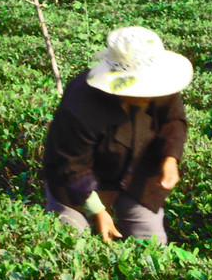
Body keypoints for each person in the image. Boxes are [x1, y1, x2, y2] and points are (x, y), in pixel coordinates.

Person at [43, 26, 193, 244]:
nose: (150, 94)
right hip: (78, 179)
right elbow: (72, 166)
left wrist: (170, 159)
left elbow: (174, 121)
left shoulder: (160, 83)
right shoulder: (80, 106)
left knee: (151, 245)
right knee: (69, 244)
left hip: (136, 172)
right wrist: (98, 212)